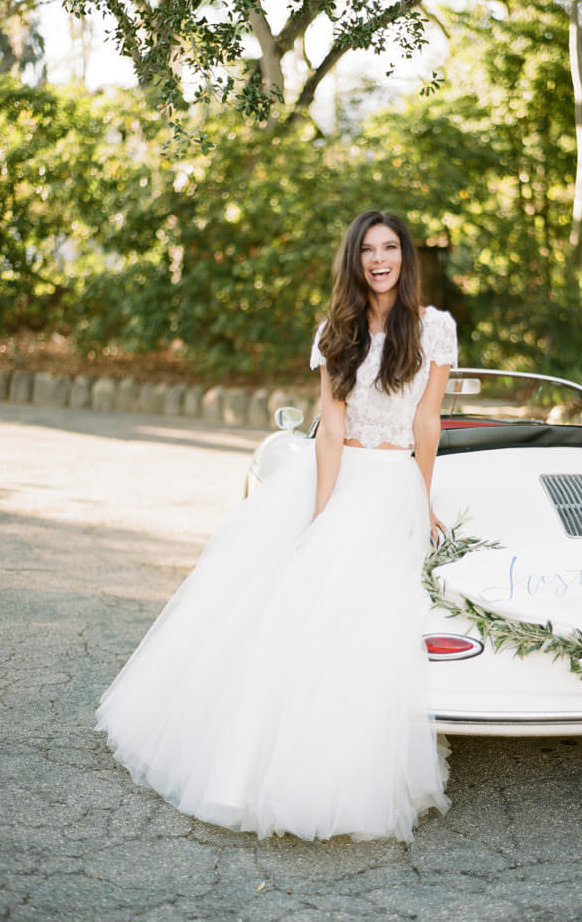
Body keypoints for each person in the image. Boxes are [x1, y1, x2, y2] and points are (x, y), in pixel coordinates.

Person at [96, 210, 458, 842]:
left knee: (370, 620)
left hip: (394, 484)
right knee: (293, 602)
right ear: (354, 260)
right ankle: (254, 769)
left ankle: (347, 770)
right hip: (339, 478)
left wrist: (422, 501)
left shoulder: (434, 328)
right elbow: (331, 431)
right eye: (367, 250)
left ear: (405, 257)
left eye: (390, 248)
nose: (379, 260)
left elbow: (428, 423)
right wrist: (320, 514)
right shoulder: (336, 330)